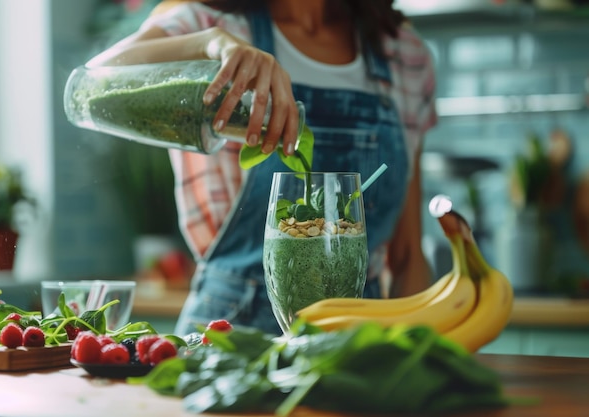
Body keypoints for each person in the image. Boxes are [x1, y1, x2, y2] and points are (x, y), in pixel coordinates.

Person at [86, 0, 438, 336]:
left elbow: (407, 257)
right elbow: (95, 82)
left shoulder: (403, 54)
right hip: (228, 331)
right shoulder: (208, 26)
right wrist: (210, 45)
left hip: (355, 341)